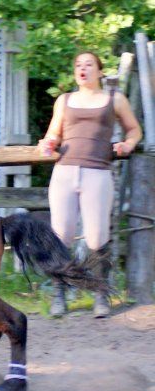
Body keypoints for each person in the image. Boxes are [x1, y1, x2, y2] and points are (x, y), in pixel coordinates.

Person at [38, 51, 142, 318]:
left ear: (100, 71)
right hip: (65, 171)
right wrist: (49, 142)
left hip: (98, 172)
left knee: (97, 237)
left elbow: (134, 130)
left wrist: (128, 144)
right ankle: (59, 294)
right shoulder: (64, 100)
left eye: (88, 64)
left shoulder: (114, 99)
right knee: (61, 235)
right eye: (78, 65)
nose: (82, 69)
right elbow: (54, 132)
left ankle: (100, 294)